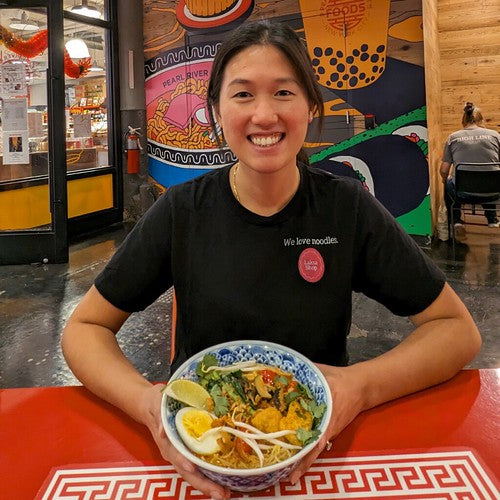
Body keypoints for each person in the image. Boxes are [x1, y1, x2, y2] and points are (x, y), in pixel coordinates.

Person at [62, 20, 481, 500]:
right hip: (200, 457)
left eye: (283, 92)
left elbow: (456, 330)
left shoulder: (346, 208)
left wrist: (360, 387)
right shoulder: (182, 211)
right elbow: (83, 330)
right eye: (242, 95)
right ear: (216, 111)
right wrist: (146, 404)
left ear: (309, 107)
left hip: (317, 452)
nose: (264, 115)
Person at [440, 102, 500, 238]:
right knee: (487, 177)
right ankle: (492, 219)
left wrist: (445, 179)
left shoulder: (453, 137)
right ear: (481, 119)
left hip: (463, 193)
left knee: (448, 183)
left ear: (463, 120)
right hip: (494, 193)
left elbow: (444, 170)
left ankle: (456, 221)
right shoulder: (495, 136)